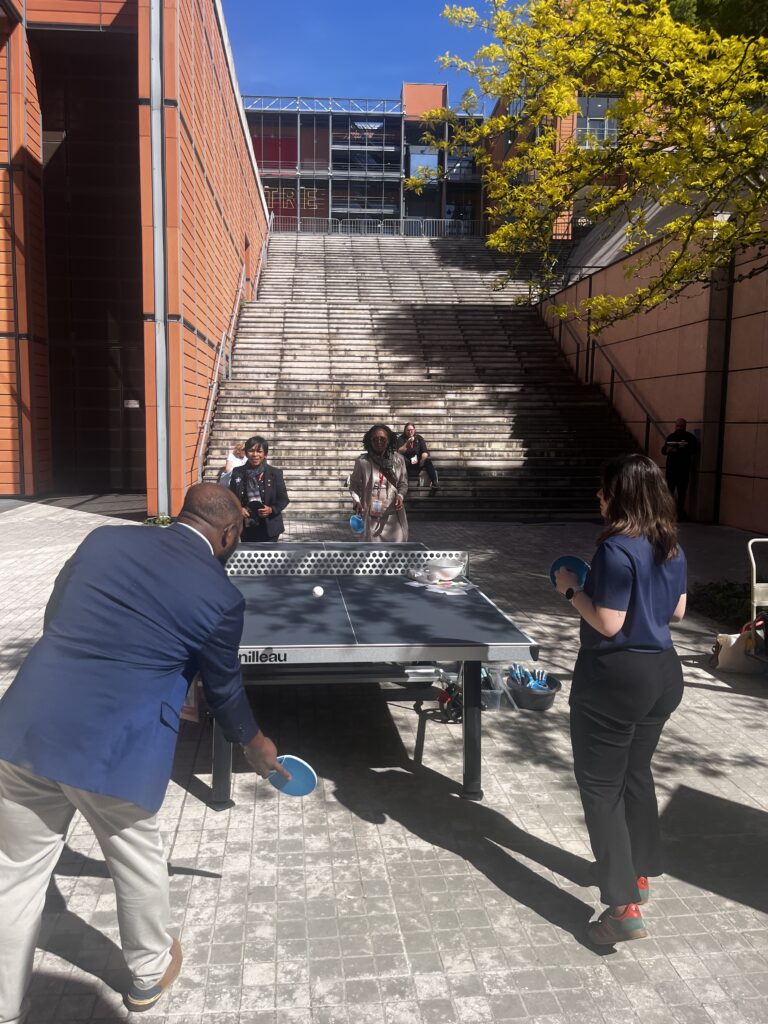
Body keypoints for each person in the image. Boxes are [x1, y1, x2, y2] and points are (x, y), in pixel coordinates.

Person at [0, 484, 289, 1020]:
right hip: (117, 747)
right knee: (137, 861)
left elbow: (57, 615)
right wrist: (255, 744)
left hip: (24, 725)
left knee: (13, 873)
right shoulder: (221, 596)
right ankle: (149, 973)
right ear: (229, 534)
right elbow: (224, 689)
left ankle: (4, 1006)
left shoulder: (103, 539)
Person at [554, 454, 687, 945]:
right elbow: (677, 612)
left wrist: (570, 589)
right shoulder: (670, 545)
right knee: (635, 774)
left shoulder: (614, 549)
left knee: (601, 788)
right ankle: (639, 874)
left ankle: (622, 907)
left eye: (605, 488)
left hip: (615, 680)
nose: (599, 495)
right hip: (663, 675)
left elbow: (608, 622)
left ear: (622, 496)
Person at [349, 423, 409, 541]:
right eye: (375, 439)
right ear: (370, 441)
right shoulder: (362, 462)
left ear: (389, 440)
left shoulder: (398, 460)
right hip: (371, 518)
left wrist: (400, 496)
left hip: (393, 517)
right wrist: (357, 501)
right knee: (372, 551)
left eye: (382, 438)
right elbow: (354, 486)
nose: (379, 441)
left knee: (396, 551)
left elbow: (403, 484)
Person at [229, 435, 290, 542]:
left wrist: (271, 509)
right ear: (246, 453)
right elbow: (231, 497)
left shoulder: (275, 473)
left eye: (259, 451)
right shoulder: (237, 472)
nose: (255, 455)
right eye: (251, 451)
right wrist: (239, 509)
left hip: (270, 527)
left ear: (265, 454)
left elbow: (283, 499)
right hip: (246, 526)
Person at [661, 417, 698, 519]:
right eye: (678, 426)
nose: (679, 428)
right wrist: (668, 450)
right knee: (669, 491)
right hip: (671, 469)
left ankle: (679, 513)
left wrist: (679, 450)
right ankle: (669, 513)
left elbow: (694, 450)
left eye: (681, 426)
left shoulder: (690, 438)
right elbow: (663, 450)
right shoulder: (671, 437)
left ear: (685, 426)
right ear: (675, 426)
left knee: (682, 493)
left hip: (683, 469)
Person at [397, 422, 438, 489]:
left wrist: (422, 460)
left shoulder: (419, 438)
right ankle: (399, 482)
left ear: (414, 430)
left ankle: (435, 482)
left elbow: (425, 452)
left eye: (411, 430)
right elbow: (399, 451)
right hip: (407, 463)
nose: (410, 432)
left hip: (418, 461)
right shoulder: (401, 438)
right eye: (408, 430)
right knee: (400, 458)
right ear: (405, 431)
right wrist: (408, 442)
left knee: (427, 460)